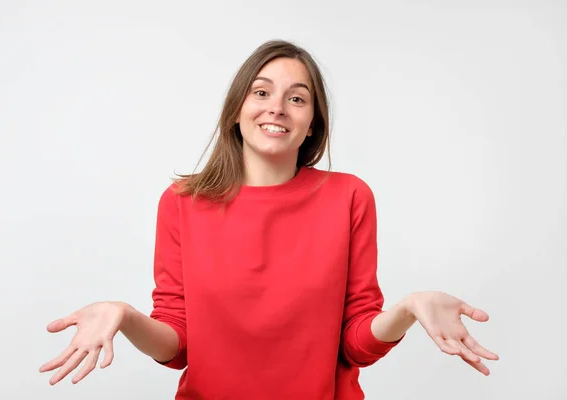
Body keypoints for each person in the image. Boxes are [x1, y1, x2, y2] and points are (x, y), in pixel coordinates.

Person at [39, 39, 499, 399]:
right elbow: (178, 346)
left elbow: (356, 343)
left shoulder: (349, 196)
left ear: (313, 121)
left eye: (297, 98)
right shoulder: (181, 201)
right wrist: (124, 315)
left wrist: (407, 309)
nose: (276, 107)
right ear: (237, 109)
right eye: (261, 92)